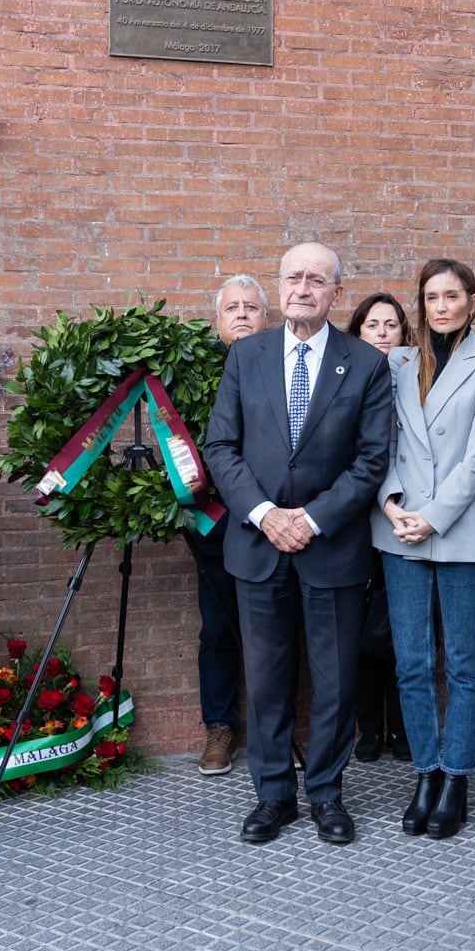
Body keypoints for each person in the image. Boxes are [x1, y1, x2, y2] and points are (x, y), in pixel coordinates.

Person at [203, 243, 394, 845]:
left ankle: (328, 796)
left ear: (337, 291)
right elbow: (221, 449)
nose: (302, 289)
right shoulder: (247, 357)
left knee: (335, 680)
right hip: (258, 546)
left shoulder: (364, 363)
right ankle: (272, 797)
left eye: (317, 279)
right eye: (293, 278)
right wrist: (264, 515)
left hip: (330, 546)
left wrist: (309, 519)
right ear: (279, 287)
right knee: (265, 677)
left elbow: (371, 460)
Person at [374, 260, 475, 839]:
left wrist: (431, 518)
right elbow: (377, 444)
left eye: (452, 296)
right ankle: (425, 771)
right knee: (411, 662)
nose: (440, 306)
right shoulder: (396, 362)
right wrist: (390, 502)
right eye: (430, 297)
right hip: (398, 525)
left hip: (462, 526)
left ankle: (456, 776)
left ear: (473, 302)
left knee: (461, 662)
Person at [192, 275, 267, 776]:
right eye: (231, 308)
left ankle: (275, 732)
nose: (242, 315)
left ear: (267, 317)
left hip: (272, 521)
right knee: (219, 629)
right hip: (212, 523)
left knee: (275, 632)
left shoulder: (281, 366)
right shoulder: (191, 374)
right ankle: (220, 727)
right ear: (217, 321)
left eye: (252, 308)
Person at [346, 292, 411, 763]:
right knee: (362, 630)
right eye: (373, 325)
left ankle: (405, 729)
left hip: (407, 518)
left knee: (405, 629)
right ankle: (368, 728)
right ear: (358, 332)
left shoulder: (416, 377)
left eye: (392, 325)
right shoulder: (346, 379)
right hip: (356, 519)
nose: (383, 332)